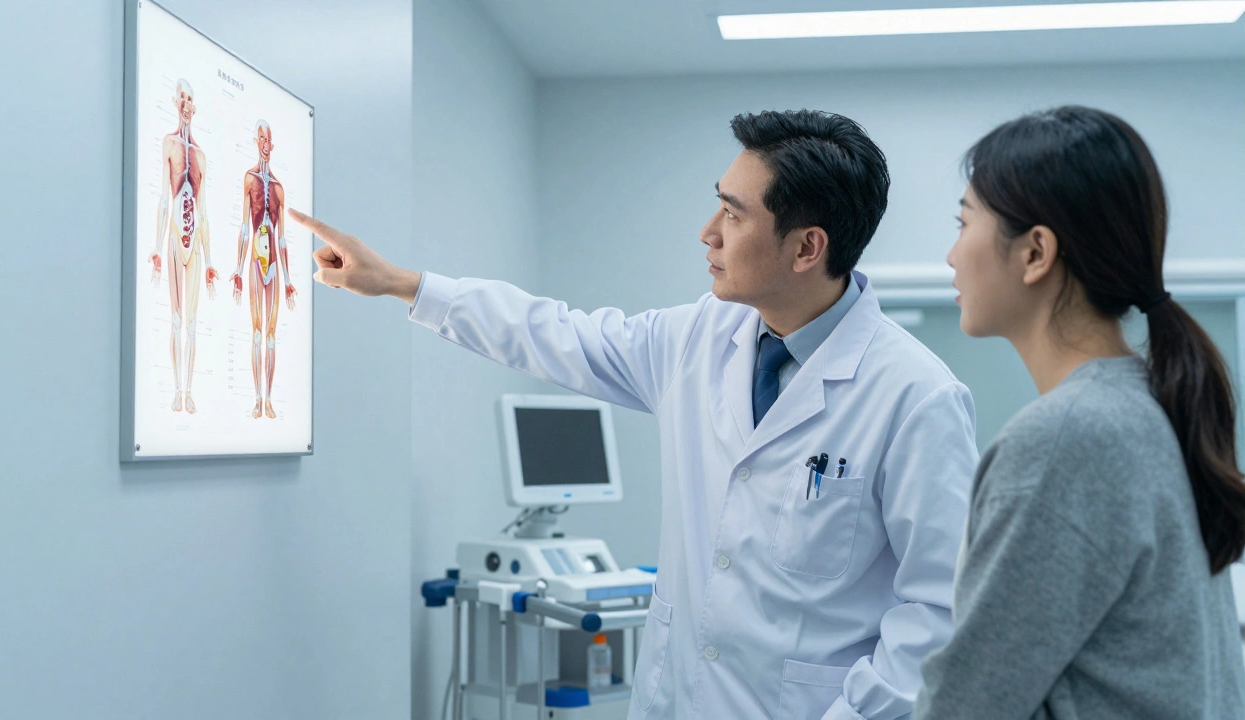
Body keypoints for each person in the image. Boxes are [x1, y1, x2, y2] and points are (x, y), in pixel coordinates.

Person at [296, 110, 979, 719]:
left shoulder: (915, 397)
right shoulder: (698, 338)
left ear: (807, 248)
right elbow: (554, 333)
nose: (708, 233)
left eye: (734, 215)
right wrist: (400, 284)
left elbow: (938, 619)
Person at [915, 106, 1245, 719]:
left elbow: (966, 704)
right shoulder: (1147, 407)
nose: (952, 256)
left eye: (964, 224)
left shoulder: (1067, 439)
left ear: (1035, 252)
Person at [149, 78, 217, 414]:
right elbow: (165, 198)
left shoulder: (201, 156)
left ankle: (188, 392)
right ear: (175, 102)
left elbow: (203, 213)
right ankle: (177, 391)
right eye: (182, 97)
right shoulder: (169, 145)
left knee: (192, 323)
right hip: (176, 236)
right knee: (176, 321)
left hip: (194, 244)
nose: (186, 103)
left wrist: (211, 261)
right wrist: (157, 245)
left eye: (190, 98)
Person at [231, 119, 297, 419]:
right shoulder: (249, 179)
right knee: (257, 331)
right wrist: (237, 268)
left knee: (270, 333)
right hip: (255, 263)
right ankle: (257, 399)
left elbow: (282, 237)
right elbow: (245, 228)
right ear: (256, 142)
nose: (266, 145)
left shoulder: (280, 189)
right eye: (262, 139)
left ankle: (268, 399)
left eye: (269, 140)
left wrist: (288, 279)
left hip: (273, 266)